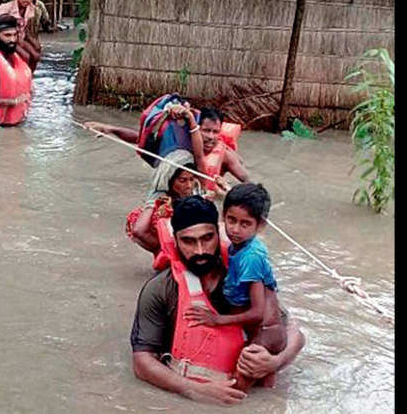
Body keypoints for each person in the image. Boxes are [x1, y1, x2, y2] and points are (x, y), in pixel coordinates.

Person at [130, 196, 305, 406]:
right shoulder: (159, 289)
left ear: (218, 233)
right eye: (188, 241)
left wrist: (275, 362)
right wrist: (192, 389)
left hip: (246, 393)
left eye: (207, 238)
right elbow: (142, 362)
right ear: (175, 241)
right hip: (194, 392)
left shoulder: (245, 273)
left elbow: (294, 332)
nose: (200, 250)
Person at [183, 183, 285, 391]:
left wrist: (217, 320)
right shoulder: (239, 246)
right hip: (262, 331)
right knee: (265, 389)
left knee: (237, 387)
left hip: (265, 332)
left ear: (260, 225)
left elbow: (257, 313)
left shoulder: (251, 257)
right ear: (223, 216)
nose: (235, 229)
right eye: (231, 220)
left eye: (245, 224)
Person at [84, 105, 248, 195]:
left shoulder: (226, 156)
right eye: (206, 130)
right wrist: (109, 129)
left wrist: (227, 191)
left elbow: (249, 184)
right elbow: (140, 140)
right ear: (197, 128)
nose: (211, 137)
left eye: (215, 132)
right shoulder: (184, 146)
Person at [126, 149, 202, 262]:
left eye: (191, 179)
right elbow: (139, 231)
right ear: (170, 180)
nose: (189, 185)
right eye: (182, 180)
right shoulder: (160, 197)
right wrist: (165, 251)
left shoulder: (194, 188)